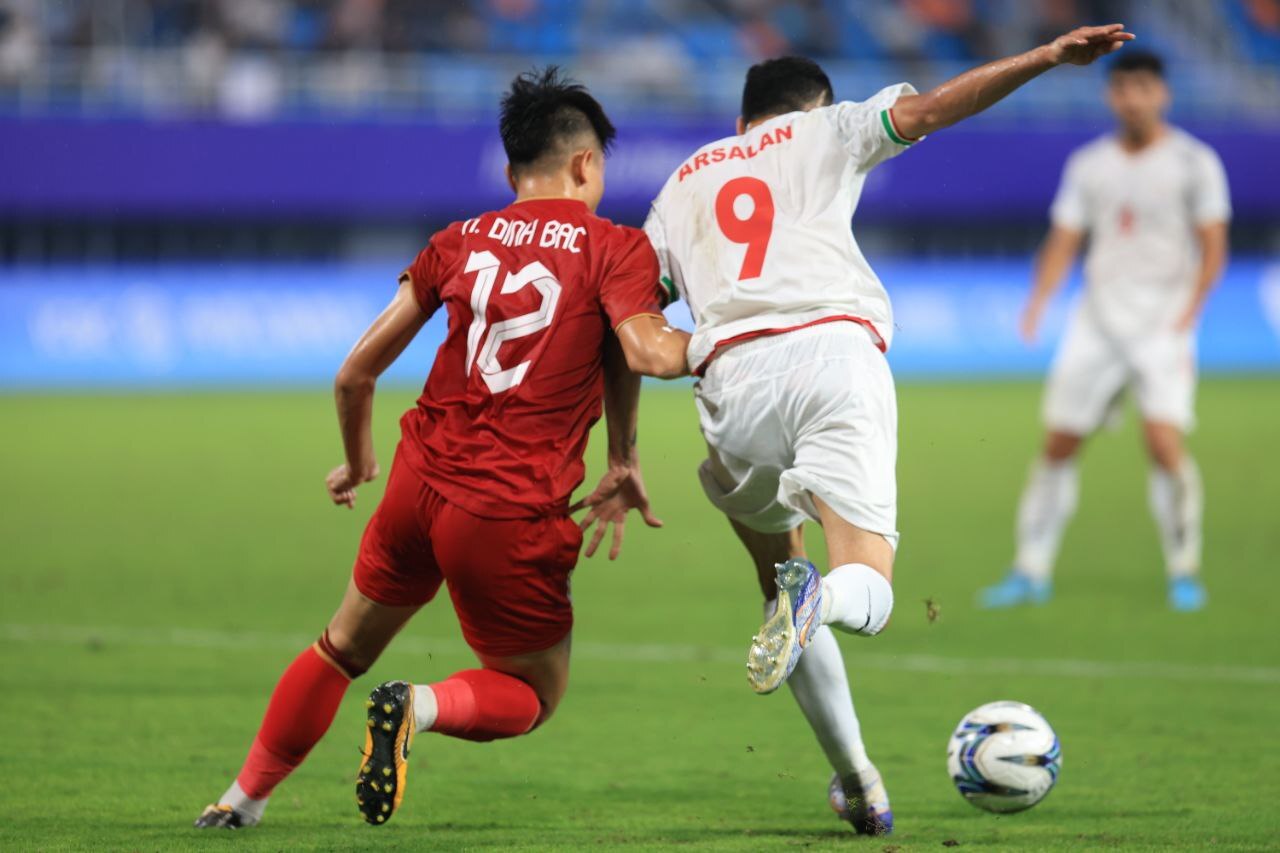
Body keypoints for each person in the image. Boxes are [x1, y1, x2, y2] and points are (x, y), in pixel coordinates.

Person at [643, 26, 1134, 835]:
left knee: (778, 579)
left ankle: (859, 781)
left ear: (741, 123)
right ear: (815, 105)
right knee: (863, 585)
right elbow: (935, 108)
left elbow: (632, 313)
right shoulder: (829, 128)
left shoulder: (682, 183)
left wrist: (623, 446)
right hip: (832, 357)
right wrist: (1047, 57)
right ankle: (824, 598)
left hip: (728, 382)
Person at [194, 66, 690, 830]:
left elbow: (354, 374)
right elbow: (646, 352)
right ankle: (418, 705)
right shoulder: (617, 248)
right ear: (587, 164)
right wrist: (745, 339)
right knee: (533, 692)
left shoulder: (458, 240)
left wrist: (359, 460)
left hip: (415, 486)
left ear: (511, 172)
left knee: (340, 645)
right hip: (506, 508)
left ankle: (240, 799)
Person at [980, 50, 1229, 612]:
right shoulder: (1090, 164)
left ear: (1162, 93)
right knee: (1059, 444)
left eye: (1142, 87)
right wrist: (1039, 299)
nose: (1131, 99)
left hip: (1162, 324)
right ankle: (1030, 568)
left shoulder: (1195, 162)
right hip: (1096, 322)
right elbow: (1065, 238)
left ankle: (1184, 567)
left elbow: (1213, 243)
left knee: (1163, 443)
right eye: (1121, 88)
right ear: (1109, 96)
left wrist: (1192, 308)